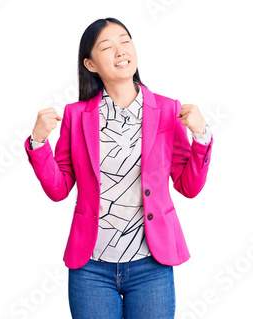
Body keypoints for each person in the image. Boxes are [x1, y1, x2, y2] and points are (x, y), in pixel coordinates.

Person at [23, 17, 214, 318]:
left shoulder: (168, 110)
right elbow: (58, 189)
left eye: (125, 41)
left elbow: (188, 187)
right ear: (90, 64)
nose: (120, 51)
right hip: (91, 270)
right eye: (107, 47)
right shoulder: (76, 116)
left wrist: (202, 137)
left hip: (151, 265)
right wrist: (38, 142)